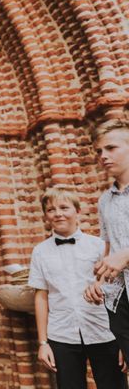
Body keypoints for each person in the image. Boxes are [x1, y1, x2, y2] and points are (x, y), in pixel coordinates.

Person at [28, 187, 126, 388]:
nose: (58, 213)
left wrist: (124, 341)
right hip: (62, 335)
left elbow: (117, 290)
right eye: (51, 209)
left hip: (103, 330)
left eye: (64, 207)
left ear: (77, 211)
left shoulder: (99, 246)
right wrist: (43, 343)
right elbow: (41, 296)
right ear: (46, 215)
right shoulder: (39, 252)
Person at [84, 118, 129, 368]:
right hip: (119, 301)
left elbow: (120, 255)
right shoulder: (104, 201)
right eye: (99, 151)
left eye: (111, 148)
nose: (103, 156)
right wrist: (98, 282)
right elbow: (109, 248)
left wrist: (127, 255)